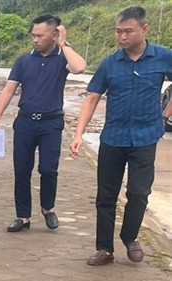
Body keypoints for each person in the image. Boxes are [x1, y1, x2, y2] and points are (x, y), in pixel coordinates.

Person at [70, 5, 172, 266]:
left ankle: (129, 237)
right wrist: (78, 134)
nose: (122, 37)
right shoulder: (110, 63)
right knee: (106, 196)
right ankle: (104, 249)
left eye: (128, 31)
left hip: (146, 137)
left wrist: (165, 115)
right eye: (118, 32)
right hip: (113, 138)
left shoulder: (162, 57)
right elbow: (92, 97)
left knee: (138, 193)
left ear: (144, 29)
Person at [0, 14, 86, 233]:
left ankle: (48, 208)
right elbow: (9, 89)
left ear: (53, 35)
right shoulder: (24, 60)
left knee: (48, 169)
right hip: (25, 122)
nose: (35, 39)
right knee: (22, 170)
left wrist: (64, 42)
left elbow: (80, 67)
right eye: (33, 35)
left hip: (51, 123)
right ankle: (23, 216)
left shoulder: (63, 59)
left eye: (40, 36)